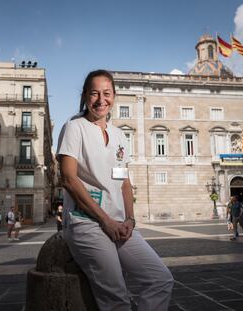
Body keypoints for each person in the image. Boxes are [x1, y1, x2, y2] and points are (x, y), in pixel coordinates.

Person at [57, 70, 174, 310]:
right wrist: (105, 221)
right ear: (85, 96)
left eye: (107, 93)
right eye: (95, 93)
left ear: (114, 96)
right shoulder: (74, 127)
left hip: (120, 224)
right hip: (87, 223)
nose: (101, 100)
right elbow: (68, 179)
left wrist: (130, 219)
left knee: (159, 279)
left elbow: (124, 181)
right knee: (116, 298)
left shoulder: (119, 135)